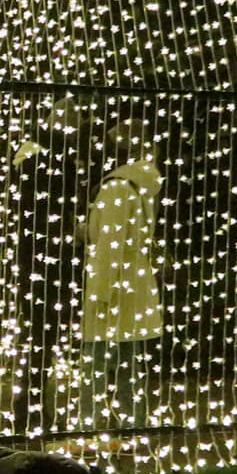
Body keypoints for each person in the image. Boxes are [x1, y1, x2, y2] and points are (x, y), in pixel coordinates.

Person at [76, 120, 165, 434]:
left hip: (113, 290)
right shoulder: (140, 185)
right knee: (129, 363)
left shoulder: (117, 187)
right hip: (134, 287)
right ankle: (134, 424)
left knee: (95, 364)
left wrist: (99, 295)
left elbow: (109, 247)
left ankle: (86, 427)